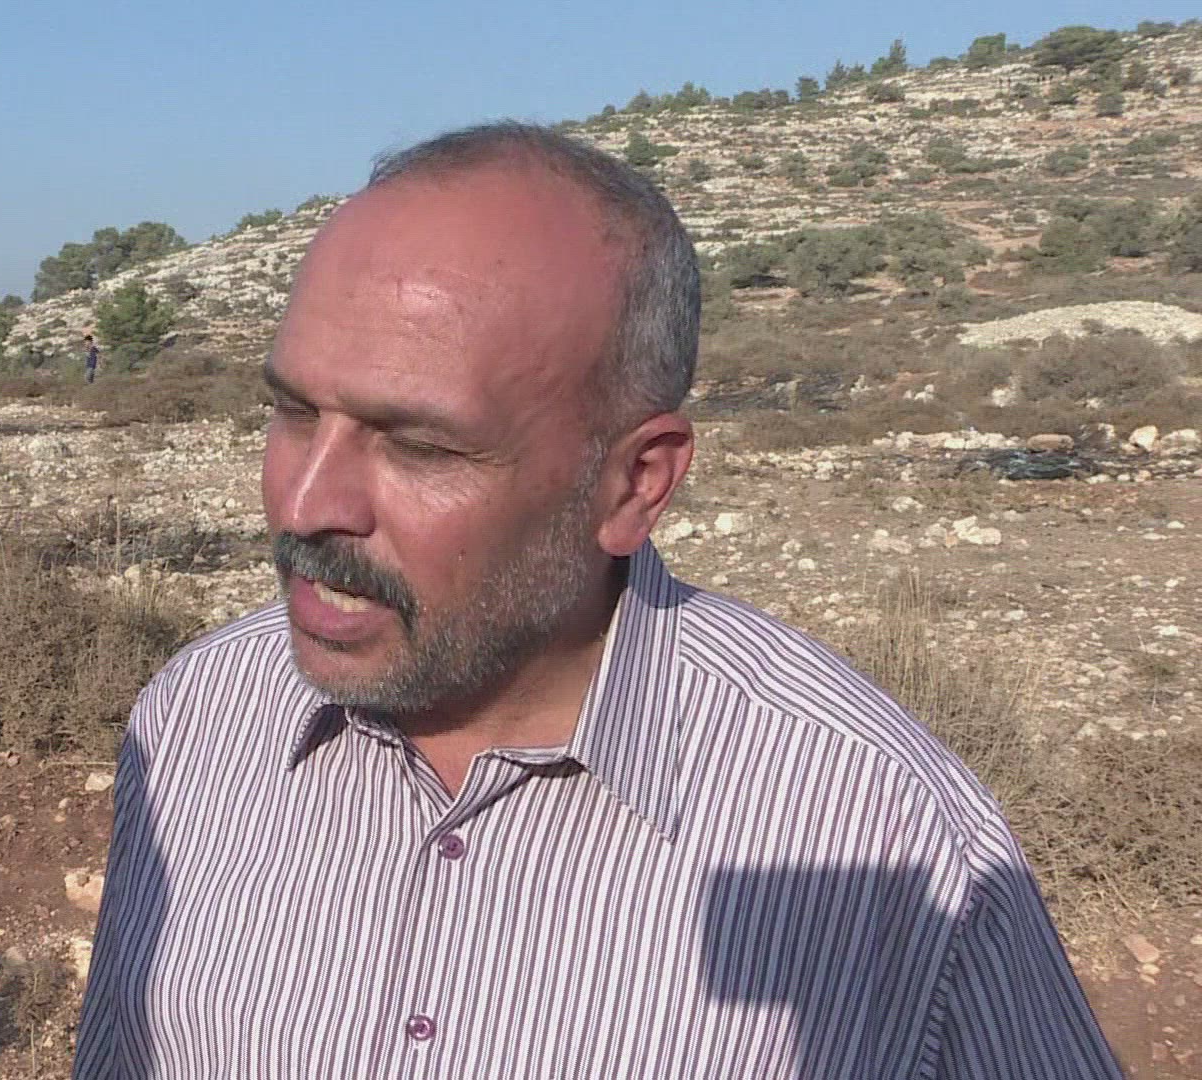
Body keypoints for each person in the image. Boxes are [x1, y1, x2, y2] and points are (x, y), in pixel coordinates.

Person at [73, 123, 1123, 1078]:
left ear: (634, 485)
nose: (305, 504)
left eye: (422, 446)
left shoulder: (885, 834)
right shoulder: (196, 723)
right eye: (294, 412)